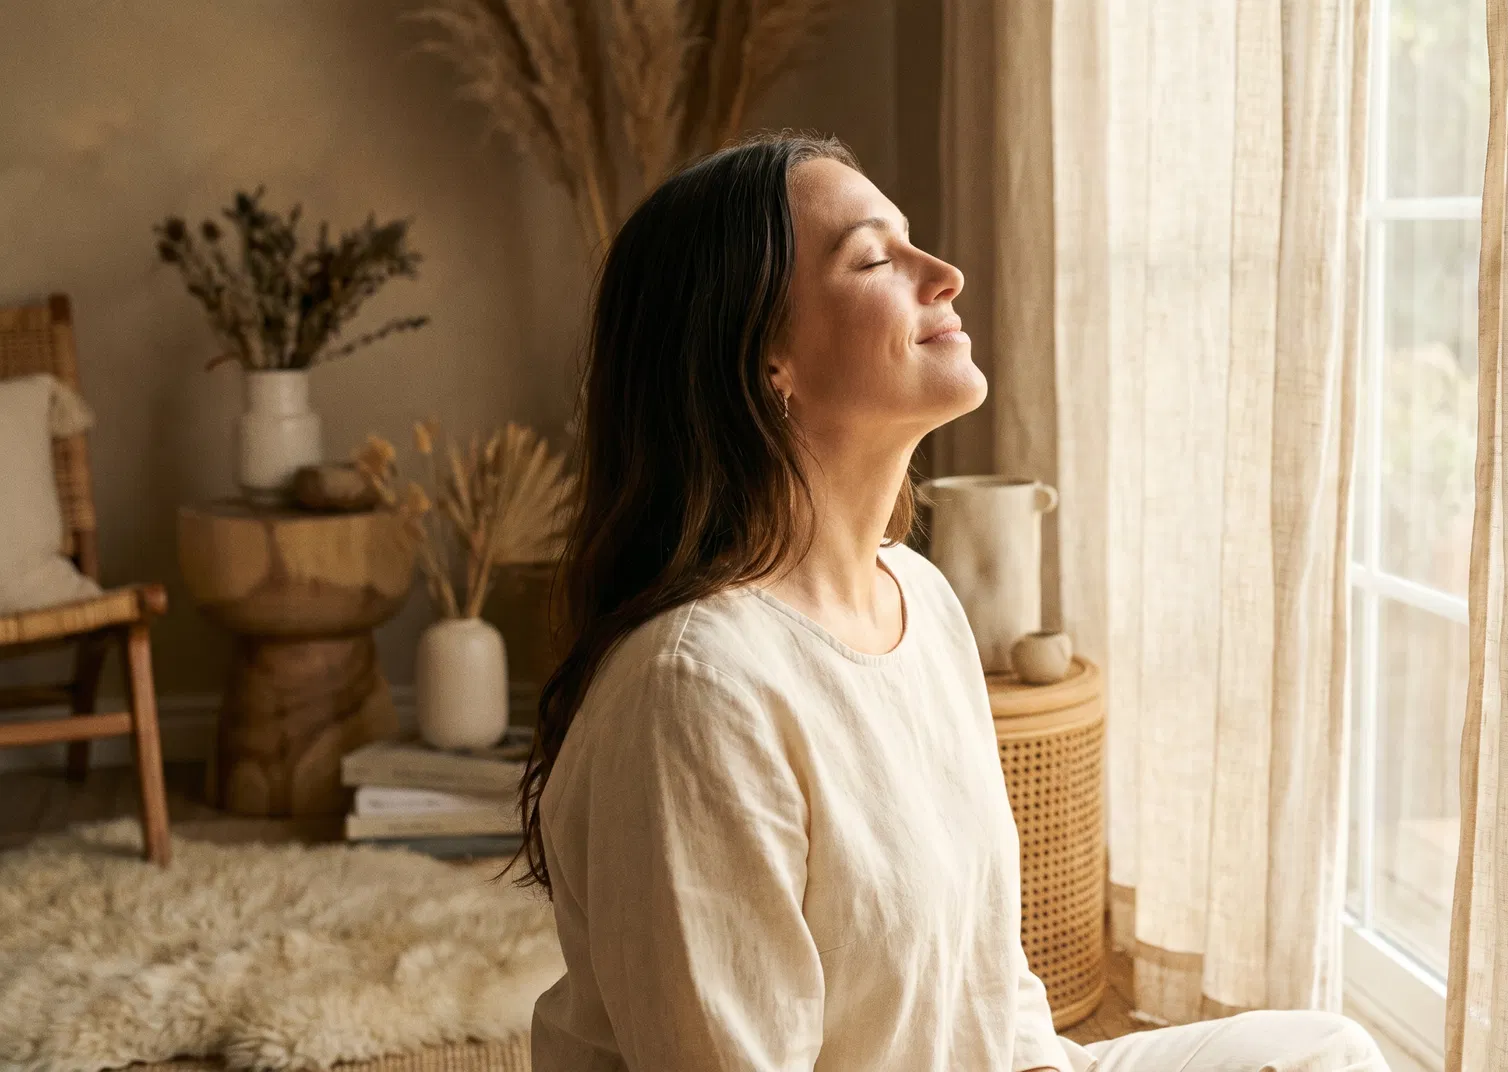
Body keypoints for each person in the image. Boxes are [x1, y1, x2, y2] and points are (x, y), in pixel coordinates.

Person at [518, 133, 1390, 1072]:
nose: (946, 275)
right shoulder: (695, 690)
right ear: (767, 361)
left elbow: (990, 976)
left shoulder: (920, 597)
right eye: (874, 259)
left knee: (1328, 1052)